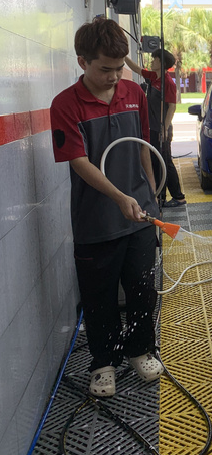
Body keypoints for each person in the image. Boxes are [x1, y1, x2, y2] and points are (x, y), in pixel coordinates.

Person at [50, 17, 163, 397]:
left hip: (140, 214)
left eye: (119, 68)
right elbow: (79, 162)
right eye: (105, 69)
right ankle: (103, 363)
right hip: (96, 222)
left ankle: (139, 350)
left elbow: (144, 145)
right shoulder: (65, 104)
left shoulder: (135, 93)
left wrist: (152, 192)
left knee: (143, 289)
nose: (115, 76)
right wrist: (120, 197)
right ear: (83, 62)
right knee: (99, 297)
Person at [125, 49, 186, 207]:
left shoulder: (168, 83)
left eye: (155, 59)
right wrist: (123, 55)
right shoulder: (153, 77)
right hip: (151, 128)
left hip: (162, 129)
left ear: (162, 63)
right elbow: (137, 69)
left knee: (165, 162)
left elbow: (172, 107)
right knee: (155, 161)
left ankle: (179, 197)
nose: (152, 61)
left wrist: (164, 129)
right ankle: (160, 196)